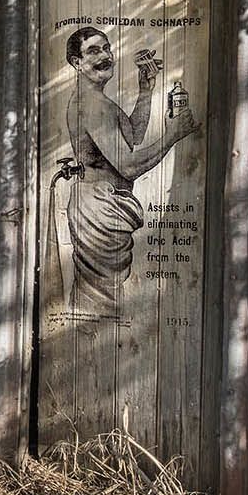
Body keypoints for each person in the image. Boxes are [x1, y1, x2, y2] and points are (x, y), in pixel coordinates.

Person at [63, 25, 199, 317]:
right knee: (100, 303)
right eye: (93, 51)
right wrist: (173, 134)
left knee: (103, 299)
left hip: (105, 206)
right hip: (98, 209)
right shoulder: (91, 105)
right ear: (77, 63)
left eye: (107, 48)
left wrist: (146, 91)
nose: (104, 56)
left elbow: (131, 137)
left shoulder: (99, 100)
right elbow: (127, 165)